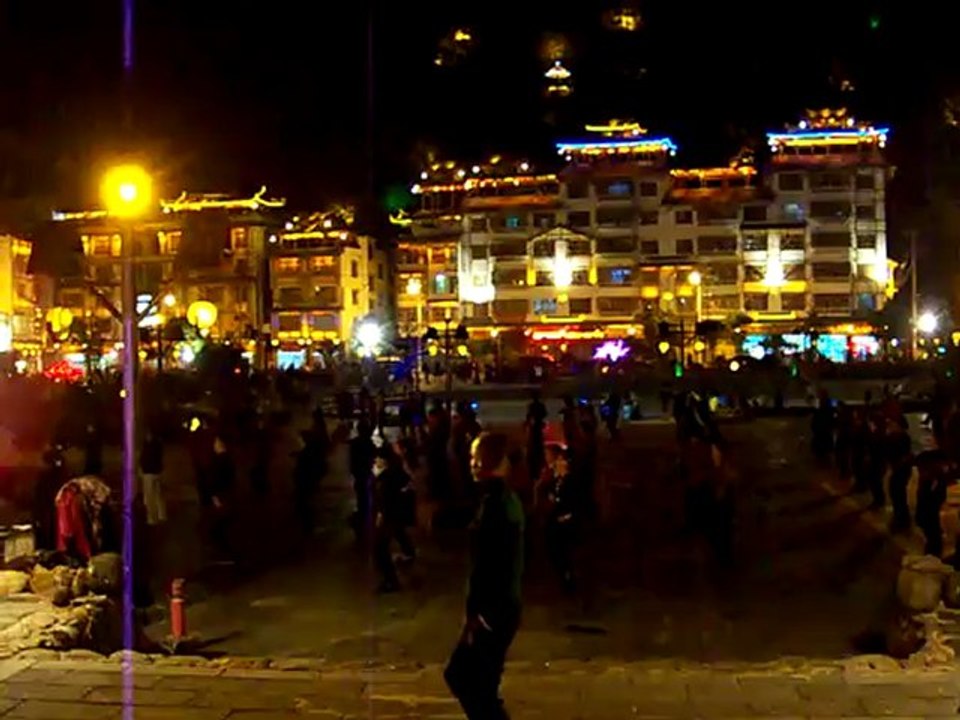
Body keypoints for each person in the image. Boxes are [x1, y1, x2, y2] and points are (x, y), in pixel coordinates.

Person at [445, 432, 524, 720]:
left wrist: (479, 615)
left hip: (494, 611)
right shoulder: (498, 498)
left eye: (475, 458)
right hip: (498, 609)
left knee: (465, 677)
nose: (471, 464)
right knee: (478, 684)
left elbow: (491, 563)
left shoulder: (497, 503)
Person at [372, 445, 417, 593]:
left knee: (380, 549)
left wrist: (381, 515)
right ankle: (391, 578)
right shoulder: (398, 473)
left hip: (389, 516)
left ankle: (390, 581)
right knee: (384, 546)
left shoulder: (386, 477)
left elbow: (385, 498)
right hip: (396, 515)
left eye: (377, 459)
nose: (375, 462)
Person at [543, 446, 577, 592]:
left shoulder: (570, 481)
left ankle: (567, 575)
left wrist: (564, 517)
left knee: (558, 541)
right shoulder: (556, 479)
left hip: (567, 521)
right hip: (556, 519)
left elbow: (574, 506)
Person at [139, 428, 166, 526]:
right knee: (158, 495)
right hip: (156, 472)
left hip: (150, 472)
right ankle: (161, 514)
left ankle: (152, 518)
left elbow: (144, 458)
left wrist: (142, 468)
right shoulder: (157, 444)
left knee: (150, 496)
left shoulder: (149, 445)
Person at [525, 390, 547, 484]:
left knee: (535, 446)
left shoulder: (532, 407)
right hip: (536, 431)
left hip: (535, 432)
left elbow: (529, 416)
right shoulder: (539, 406)